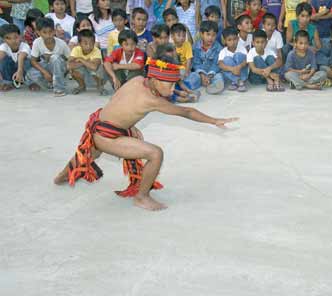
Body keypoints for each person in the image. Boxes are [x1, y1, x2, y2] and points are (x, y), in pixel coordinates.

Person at [53, 54, 238, 211]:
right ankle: (141, 197)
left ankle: (61, 176)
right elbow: (187, 112)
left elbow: (117, 101)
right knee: (155, 153)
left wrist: (128, 126)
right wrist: (214, 121)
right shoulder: (152, 99)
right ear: (156, 79)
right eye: (170, 84)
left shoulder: (137, 80)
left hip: (98, 124)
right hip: (107, 135)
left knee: (91, 153)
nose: (173, 89)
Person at [27, 17, 70, 96]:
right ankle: (51, 83)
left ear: (54, 31)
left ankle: (59, 89)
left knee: (55, 58)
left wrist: (65, 72)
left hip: (59, 68)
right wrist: (45, 72)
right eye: (44, 32)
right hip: (47, 67)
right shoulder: (37, 42)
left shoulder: (61, 43)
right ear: (38, 33)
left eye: (50, 32)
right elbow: (33, 61)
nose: (48, 35)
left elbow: (70, 59)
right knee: (30, 74)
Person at [186, 20, 225, 94]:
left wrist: (210, 75)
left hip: (213, 72)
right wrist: (202, 74)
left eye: (213, 35)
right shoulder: (195, 47)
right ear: (201, 34)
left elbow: (217, 64)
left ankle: (214, 86)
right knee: (194, 76)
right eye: (208, 34)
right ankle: (190, 85)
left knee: (219, 76)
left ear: (216, 35)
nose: (210, 38)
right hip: (200, 72)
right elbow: (196, 63)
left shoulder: (219, 48)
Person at [68, 29, 108, 95]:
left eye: (91, 43)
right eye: (85, 43)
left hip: (97, 77)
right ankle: (82, 86)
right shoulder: (76, 49)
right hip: (85, 75)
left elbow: (94, 67)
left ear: (94, 43)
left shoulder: (96, 50)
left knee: (99, 67)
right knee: (73, 70)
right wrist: (87, 62)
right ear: (80, 44)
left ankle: (100, 86)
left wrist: (81, 59)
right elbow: (69, 65)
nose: (88, 46)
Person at [0, 24, 31, 90]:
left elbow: (21, 57)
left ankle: (30, 82)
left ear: (20, 36)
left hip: (23, 71)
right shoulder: (4, 46)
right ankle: (8, 82)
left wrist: (19, 71)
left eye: (16, 37)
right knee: (4, 60)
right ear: (3, 39)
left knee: (26, 61)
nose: (13, 41)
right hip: (12, 72)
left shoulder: (25, 46)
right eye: (8, 38)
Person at [218, 26, 249, 91]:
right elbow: (220, 64)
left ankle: (240, 80)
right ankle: (237, 81)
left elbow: (247, 60)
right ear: (225, 41)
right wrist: (232, 69)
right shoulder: (223, 51)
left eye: (234, 39)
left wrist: (239, 67)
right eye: (229, 40)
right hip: (232, 73)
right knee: (226, 60)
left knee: (237, 55)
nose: (232, 42)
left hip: (243, 72)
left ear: (238, 39)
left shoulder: (241, 48)